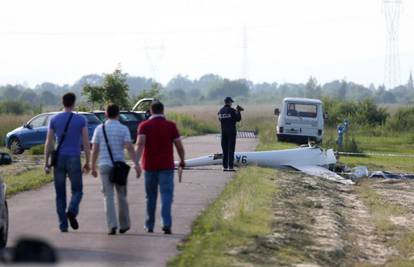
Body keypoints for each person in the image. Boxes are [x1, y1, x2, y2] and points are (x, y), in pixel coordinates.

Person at [135, 101, 185, 234]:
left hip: (149, 166)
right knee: (166, 195)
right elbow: (179, 145)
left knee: (150, 196)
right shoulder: (171, 126)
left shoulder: (144, 126)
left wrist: (136, 163)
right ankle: (166, 224)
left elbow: (140, 145)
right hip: (166, 166)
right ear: (163, 111)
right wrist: (182, 160)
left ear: (151, 111)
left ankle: (149, 225)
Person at [44, 92, 90, 232]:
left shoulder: (54, 119)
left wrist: (46, 162)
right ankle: (72, 210)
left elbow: (49, 142)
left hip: (59, 160)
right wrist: (88, 161)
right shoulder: (81, 120)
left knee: (60, 193)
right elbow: (86, 143)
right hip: (74, 158)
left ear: (62, 102)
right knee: (77, 190)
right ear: (74, 103)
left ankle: (63, 225)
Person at [90, 104, 139, 235]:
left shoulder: (99, 129)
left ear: (106, 114)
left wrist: (92, 165)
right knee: (121, 195)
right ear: (118, 114)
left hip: (104, 165)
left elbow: (95, 149)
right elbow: (129, 147)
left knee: (108, 196)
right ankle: (124, 224)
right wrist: (137, 164)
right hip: (119, 166)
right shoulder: (124, 129)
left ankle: (112, 225)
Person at [218, 97, 242, 171]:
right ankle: (230, 167)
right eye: (231, 102)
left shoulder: (220, 111)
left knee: (224, 150)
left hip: (223, 132)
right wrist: (238, 111)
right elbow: (238, 119)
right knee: (231, 149)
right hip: (231, 132)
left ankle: (224, 166)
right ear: (228, 102)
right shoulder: (232, 111)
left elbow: (220, 119)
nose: (232, 103)